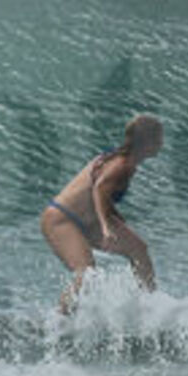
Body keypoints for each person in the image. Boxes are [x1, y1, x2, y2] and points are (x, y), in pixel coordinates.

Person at [40, 114, 163, 314]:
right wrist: (106, 225)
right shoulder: (121, 164)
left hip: (88, 221)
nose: (161, 143)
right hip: (61, 220)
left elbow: (102, 195)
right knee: (86, 273)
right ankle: (59, 320)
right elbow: (99, 189)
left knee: (139, 250)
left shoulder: (126, 162)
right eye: (158, 138)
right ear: (146, 141)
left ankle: (152, 307)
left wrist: (114, 216)